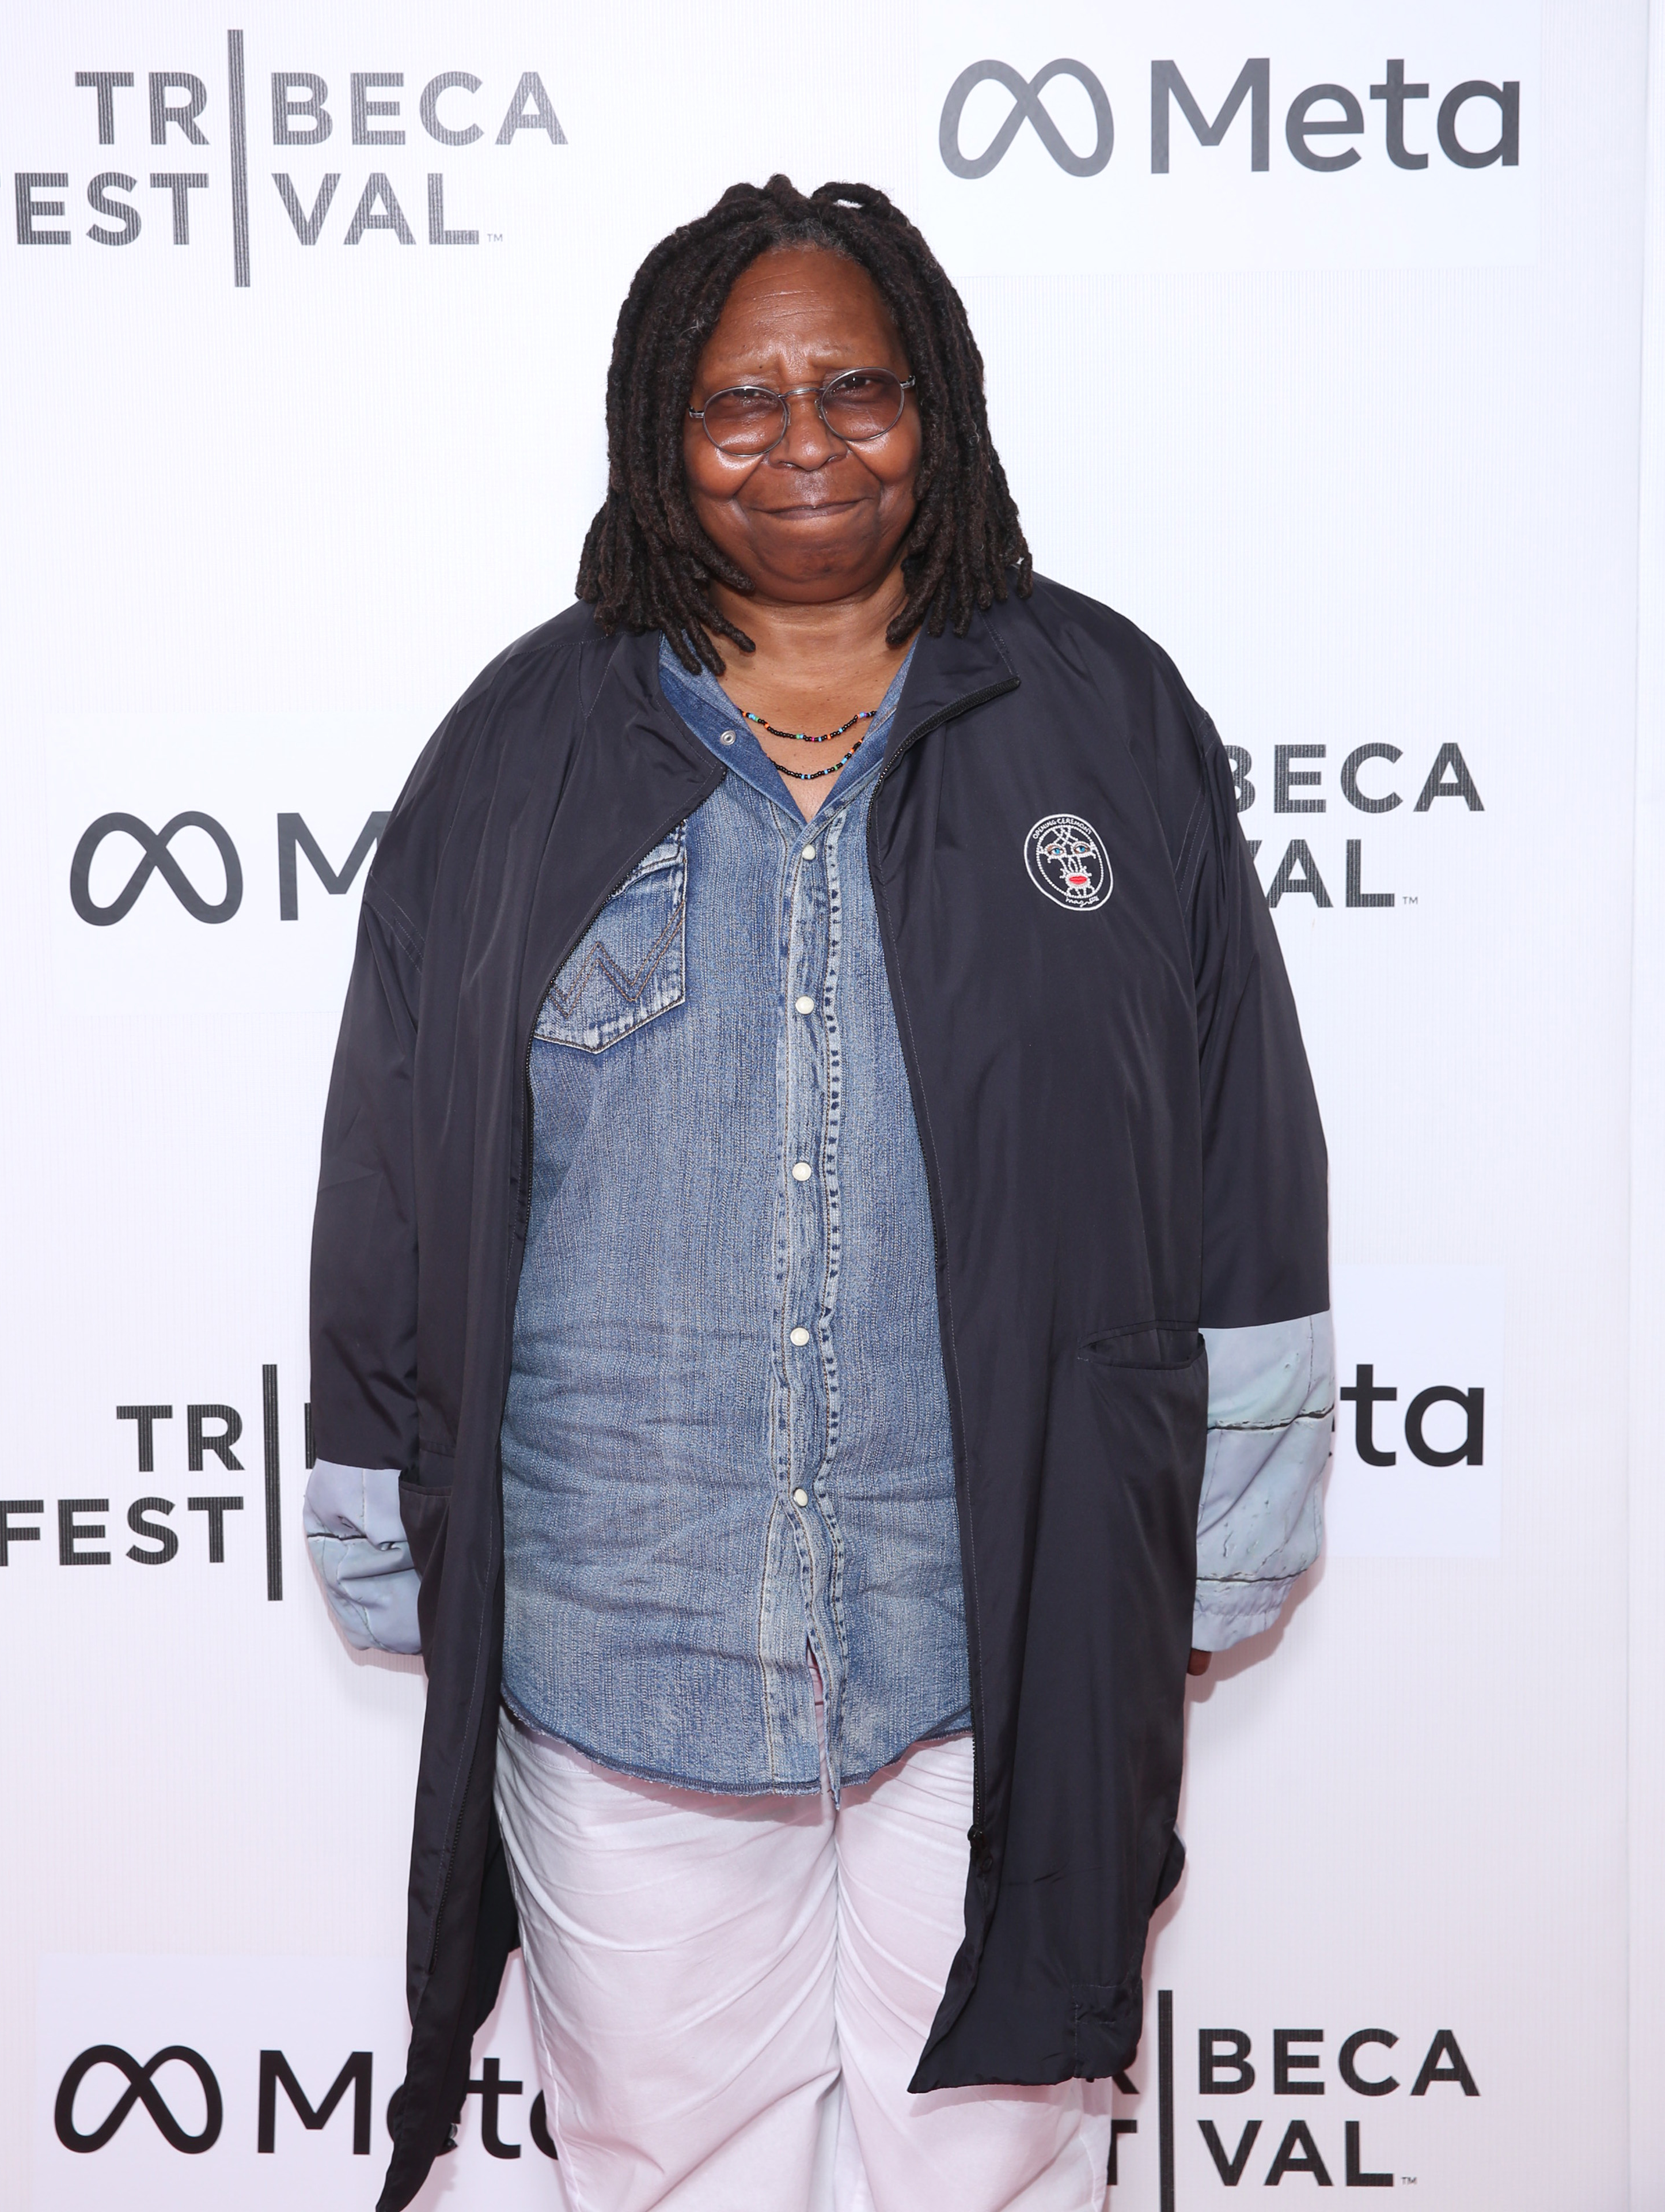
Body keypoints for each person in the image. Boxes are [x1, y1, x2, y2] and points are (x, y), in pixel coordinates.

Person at [304, 176, 1332, 2212]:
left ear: (933, 408)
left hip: (1003, 1643)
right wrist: (377, 1518)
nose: (802, 443)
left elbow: (1242, 1144)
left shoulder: (1101, 718)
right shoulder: (516, 748)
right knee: (665, 2179)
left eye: (856, 391)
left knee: (992, 2180)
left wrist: (1229, 1537)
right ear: (658, 438)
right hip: (622, 1655)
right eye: (738, 401)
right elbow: (392, 1169)